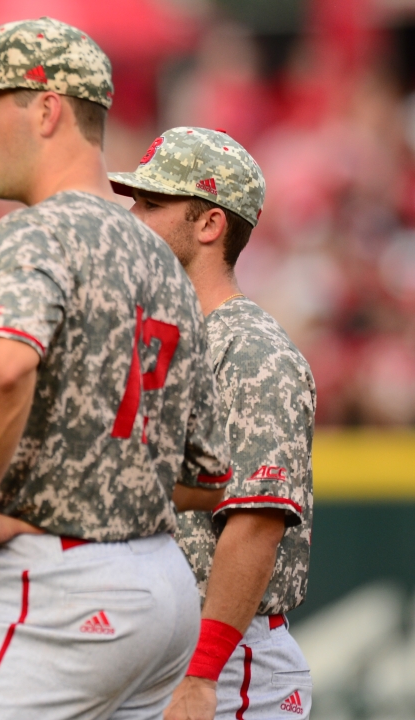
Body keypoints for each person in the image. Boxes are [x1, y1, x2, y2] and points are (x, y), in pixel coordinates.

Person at [0, 19, 233, 719]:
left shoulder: (37, 230)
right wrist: (85, 469)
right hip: (163, 594)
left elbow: (2, 371)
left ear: (48, 108)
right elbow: (208, 476)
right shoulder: (163, 261)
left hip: (62, 587)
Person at [111, 127, 315, 720]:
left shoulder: (251, 350)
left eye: (151, 204)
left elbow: (256, 521)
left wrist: (202, 675)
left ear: (208, 225)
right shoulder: (155, 339)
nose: (132, 218)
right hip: (149, 648)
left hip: (225, 661)